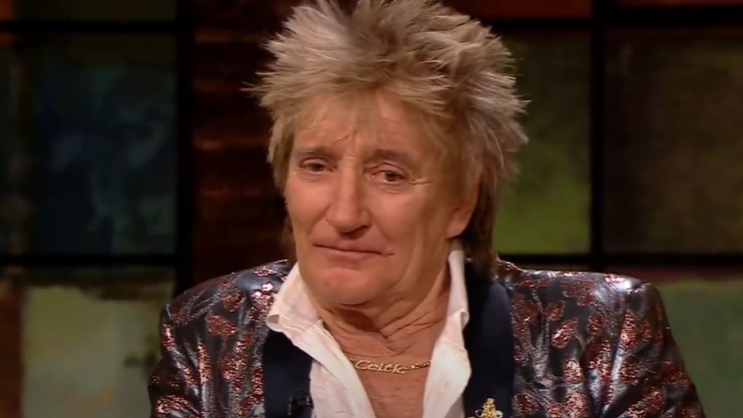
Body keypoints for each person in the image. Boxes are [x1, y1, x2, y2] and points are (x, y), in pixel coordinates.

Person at [148, 0, 705, 417]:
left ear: (460, 203)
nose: (344, 214)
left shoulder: (600, 336)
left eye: (389, 175)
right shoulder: (210, 334)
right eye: (317, 166)